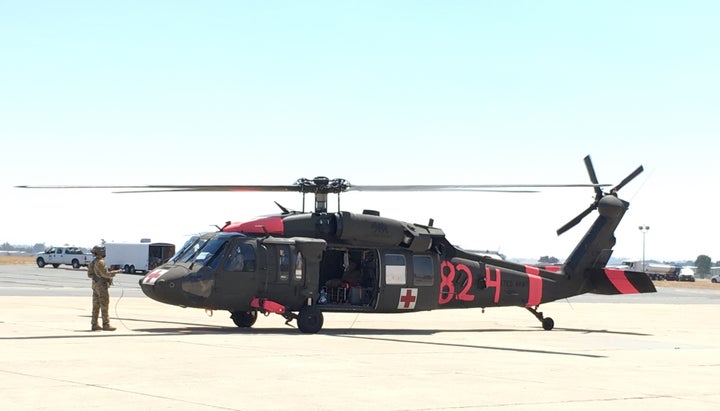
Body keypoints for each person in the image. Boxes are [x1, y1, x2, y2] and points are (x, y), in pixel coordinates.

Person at [87, 245, 119, 331]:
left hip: (95, 285)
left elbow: (89, 275)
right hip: (102, 286)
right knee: (104, 305)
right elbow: (105, 274)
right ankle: (106, 324)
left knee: (96, 306)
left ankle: (94, 324)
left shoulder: (92, 262)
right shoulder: (101, 262)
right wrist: (114, 273)